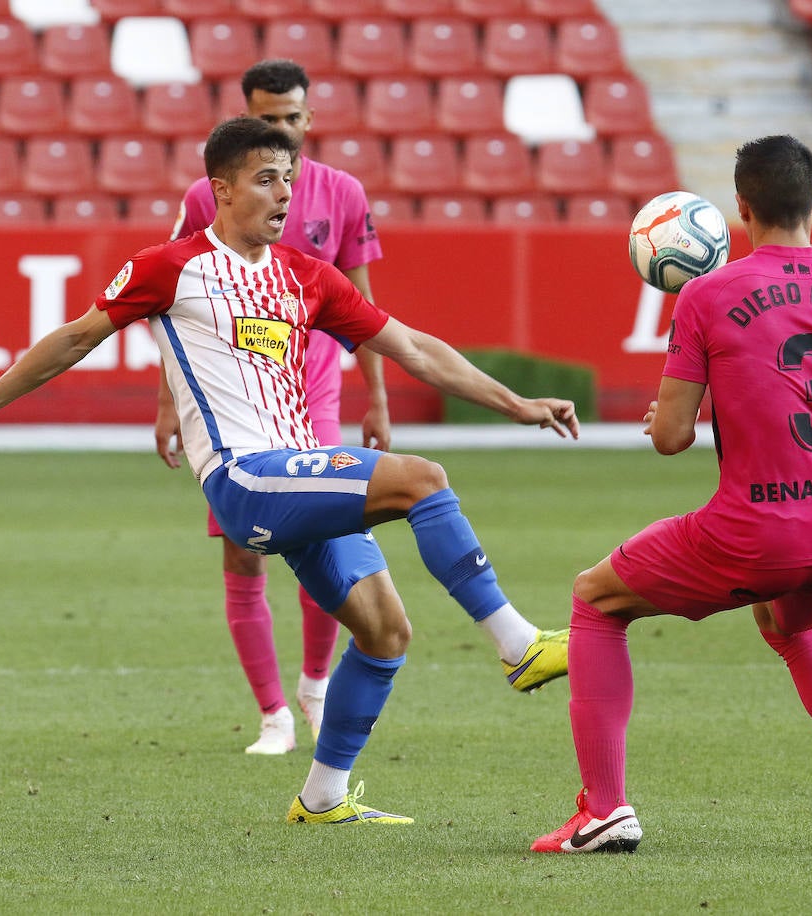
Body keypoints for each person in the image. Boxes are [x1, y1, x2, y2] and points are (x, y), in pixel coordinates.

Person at [0, 117, 579, 824]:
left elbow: (411, 346)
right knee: (423, 478)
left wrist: (515, 403)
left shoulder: (306, 277)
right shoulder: (171, 267)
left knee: (384, 633)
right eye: (265, 178)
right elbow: (76, 336)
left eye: (288, 177)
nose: (284, 193)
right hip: (247, 478)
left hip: (299, 477)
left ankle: (321, 799)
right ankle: (518, 644)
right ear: (220, 190)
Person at [531, 135, 812, 854]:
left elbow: (673, 438)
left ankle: (605, 811)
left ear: (740, 209)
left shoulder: (707, 294)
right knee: (793, 626)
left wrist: (670, 414)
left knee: (596, 599)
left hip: (753, 532)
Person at [158, 59, 568, 757]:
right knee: (260, 551)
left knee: (372, 607)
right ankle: (274, 715)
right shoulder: (205, 204)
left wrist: (378, 397)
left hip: (310, 404)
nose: (279, 132)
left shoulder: (337, 202)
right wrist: (170, 402)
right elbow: (160, 310)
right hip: (236, 425)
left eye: (289, 119)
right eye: (266, 120)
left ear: (308, 119)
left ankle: (318, 714)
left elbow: (381, 322)